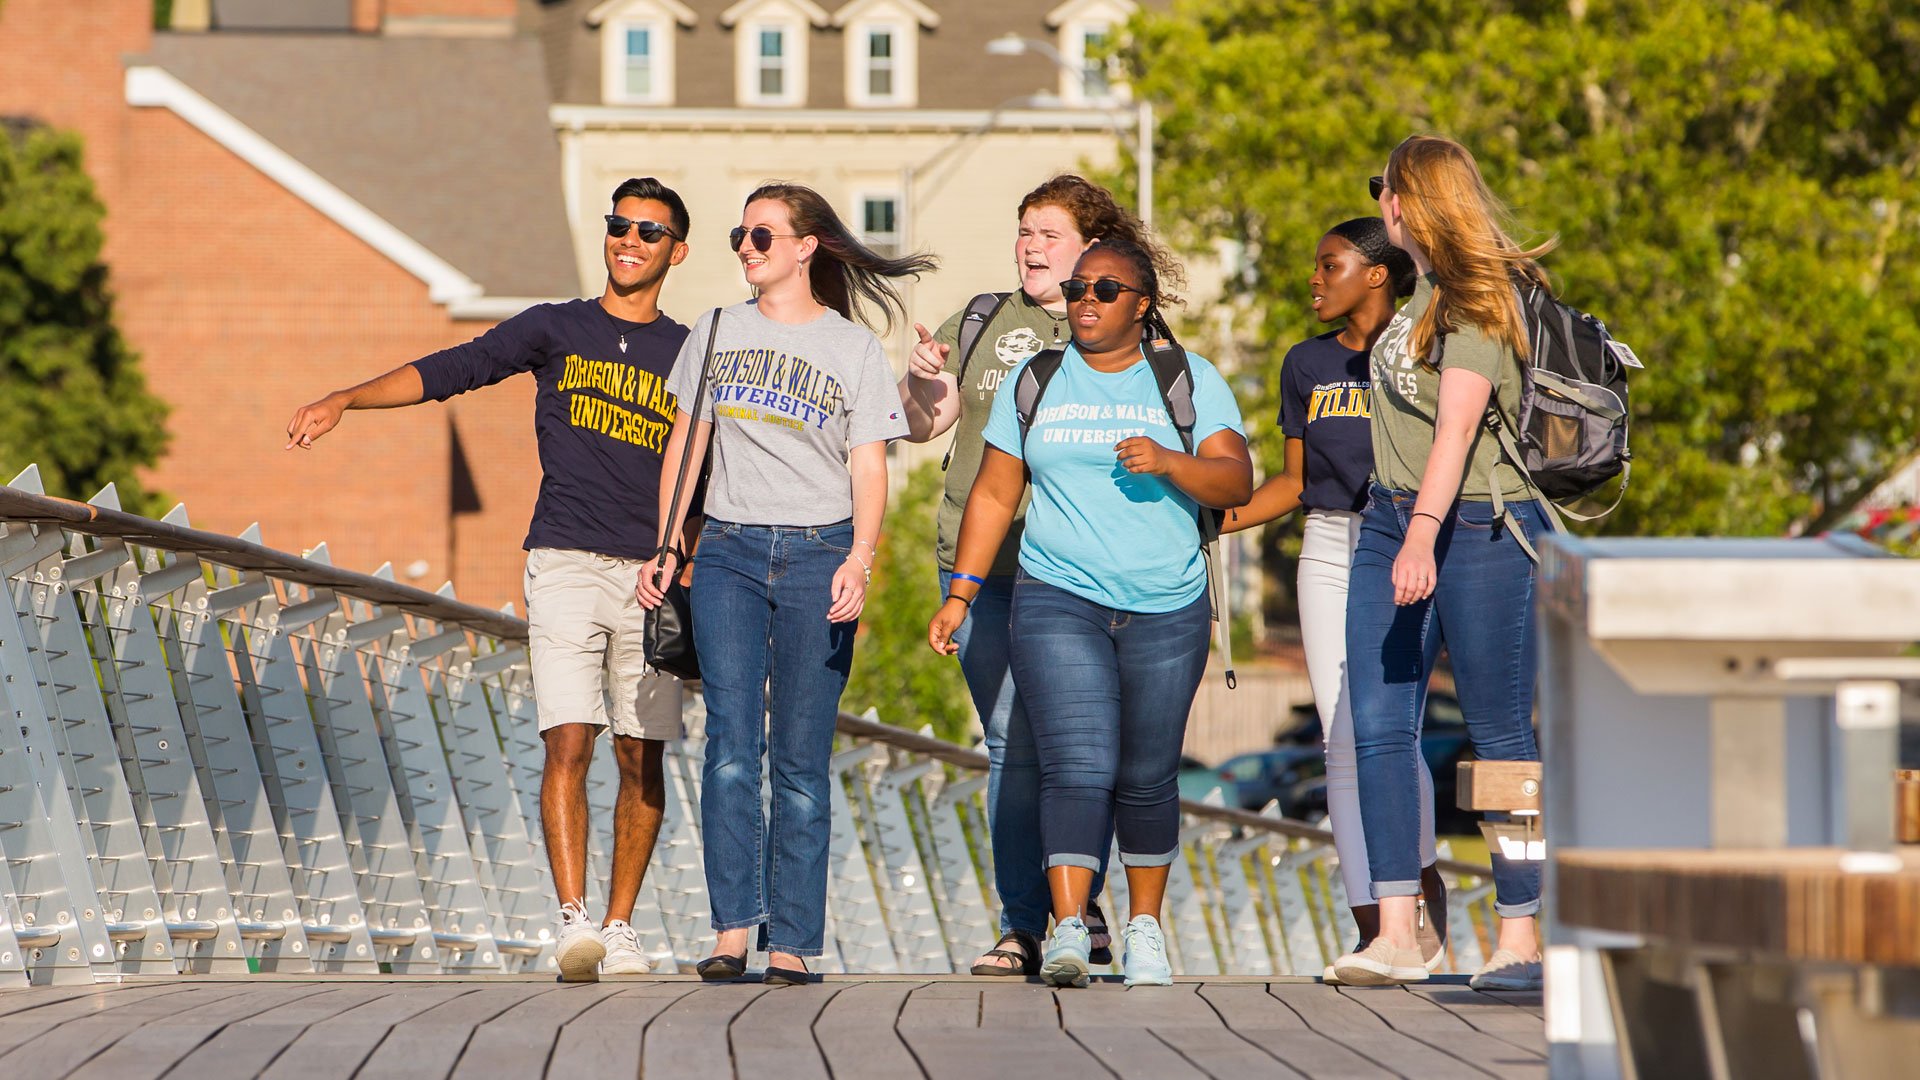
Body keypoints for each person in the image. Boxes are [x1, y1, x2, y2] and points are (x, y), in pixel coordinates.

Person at [284, 177, 696, 982]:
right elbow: (456, 367)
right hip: (566, 558)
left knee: (641, 755)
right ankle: (575, 921)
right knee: (568, 738)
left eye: (649, 232)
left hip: (652, 577)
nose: (630, 241)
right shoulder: (556, 328)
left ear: (674, 251)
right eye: (620, 225)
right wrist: (347, 398)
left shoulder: (689, 352)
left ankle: (622, 927)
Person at [929, 238, 1252, 988]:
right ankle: (1069, 928)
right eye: (1078, 287)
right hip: (1056, 596)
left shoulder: (1187, 379)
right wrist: (961, 593)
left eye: (1107, 289)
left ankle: (1145, 931)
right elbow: (994, 493)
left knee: (1145, 774)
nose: (1086, 299)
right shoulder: (1035, 378)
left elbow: (1234, 480)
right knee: (1074, 765)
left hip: (1166, 605)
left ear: (1142, 305)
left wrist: (1173, 462)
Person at [635, 182, 934, 987]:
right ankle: (733, 931)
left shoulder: (851, 349)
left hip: (818, 556)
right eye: (740, 234)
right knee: (731, 746)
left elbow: (869, 465)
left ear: (805, 247)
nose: (745, 247)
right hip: (728, 553)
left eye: (762, 236)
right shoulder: (718, 331)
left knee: (800, 758)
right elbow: (686, 445)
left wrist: (859, 560)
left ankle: (792, 940)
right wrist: (666, 545)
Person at [897, 175, 1166, 975]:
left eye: (1049, 233)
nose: (1031, 246)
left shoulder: (1113, 326)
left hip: (1079, 569)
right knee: (1015, 742)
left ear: (1090, 246)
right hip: (978, 569)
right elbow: (924, 425)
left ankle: (1075, 915)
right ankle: (1030, 923)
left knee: (1082, 751)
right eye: (1024, 231)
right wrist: (919, 378)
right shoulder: (983, 319)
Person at [1331, 135, 1553, 990]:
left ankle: (1521, 938)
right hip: (1392, 519)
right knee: (1380, 727)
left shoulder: (1477, 294)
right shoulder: (1418, 296)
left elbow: (1457, 427)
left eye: (1383, 185)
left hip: (1479, 526)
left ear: (1411, 197)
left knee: (1501, 738)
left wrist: (1422, 535)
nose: (1379, 198)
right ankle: (1399, 933)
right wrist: (1400, 529)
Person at [1222, 218, 1451, 981]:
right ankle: (1375, 931)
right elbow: (1291, 482)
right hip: (1326, 548)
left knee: (1388, 732)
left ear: (1379, 274)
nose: (1314, 279)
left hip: (1398, 546)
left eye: (1331, 265)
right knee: (1339, 740)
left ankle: (1420, 896)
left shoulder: (1424, 350)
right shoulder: (1305, 363)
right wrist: (1210, 521)